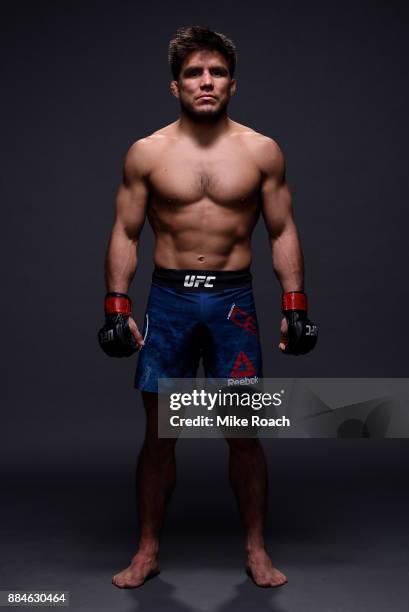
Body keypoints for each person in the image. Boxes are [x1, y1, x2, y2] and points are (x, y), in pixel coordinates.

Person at [98, 25, 317, 589]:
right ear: (175, 85)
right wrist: (116, 304)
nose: (206, 82)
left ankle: (257, 550)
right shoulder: (147, 153)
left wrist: (295, 304)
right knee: (159, 434)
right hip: (168, 300)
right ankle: (147, 551)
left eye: (216, 72)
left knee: (244, 433)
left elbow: (282, 227)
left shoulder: (260, 151)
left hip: (232, 304)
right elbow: (126, 232)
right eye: (194, 73)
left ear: (232, 84)